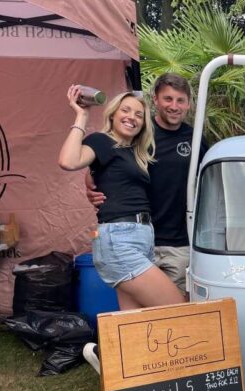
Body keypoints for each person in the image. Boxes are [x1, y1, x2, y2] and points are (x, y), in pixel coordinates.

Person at [59, 87, 186, 372]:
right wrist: (81, 115)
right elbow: (68, 160)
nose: (132, 117)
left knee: (133, 322)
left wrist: (91, 181)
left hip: (139, 238)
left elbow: (109, 179)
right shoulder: (101, 141)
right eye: (126, 111)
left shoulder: (133, 151)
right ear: (113, 114)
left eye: (139, 114)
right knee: (178, 309)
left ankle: (116, 367)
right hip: (120, 240)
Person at [86, 73, 207, 294]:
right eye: (168, 99)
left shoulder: (196, 139)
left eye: (180, 100)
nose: (174, 106)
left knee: (176, 312)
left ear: (188, 104)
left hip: (178, 242)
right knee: (141, 316)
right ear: (155, 100)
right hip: (136, 239)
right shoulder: (139, 133)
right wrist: (91, 183)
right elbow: (106, 157)